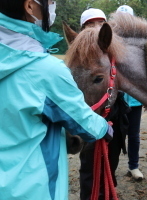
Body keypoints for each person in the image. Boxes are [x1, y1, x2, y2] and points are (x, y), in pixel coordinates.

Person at [0, 0, 113, 200]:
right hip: (32, 188)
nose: (53, 5)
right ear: (29, 6)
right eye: (50, 1)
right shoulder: (45, 70)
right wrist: (105, 128)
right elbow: (83, 122)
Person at [78, 8, 131, 200]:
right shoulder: (81, 55)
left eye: (100, 24)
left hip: (115, 114)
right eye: (90, 25)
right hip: (90, 114)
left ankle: (108, 191)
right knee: (89, 164)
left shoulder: (115, 51)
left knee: (111, 160)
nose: (95, 29)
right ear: (82, 29)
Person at [116, 5, 144, 180]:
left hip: (135, 99)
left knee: (134, 135)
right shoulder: (109, 39)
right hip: (116, 98)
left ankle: (134, 166)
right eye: (121, 19)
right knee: (115, 135)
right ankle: (109, 166)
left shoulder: (140, 42)